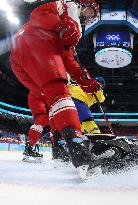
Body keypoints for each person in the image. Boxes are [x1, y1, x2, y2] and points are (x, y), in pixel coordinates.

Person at [10, 0, 102, 179]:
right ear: (84, 5)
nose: (90, 17)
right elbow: (37, 14)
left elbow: (68, 59)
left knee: (54, 105)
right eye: (91, 12)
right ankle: (78, 149)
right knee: (60, 93)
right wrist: (61, 24)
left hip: (22, 57)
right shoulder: (69, 6)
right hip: (35, 42)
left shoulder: (71, 29)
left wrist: (86, 82)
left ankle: (59, 150)